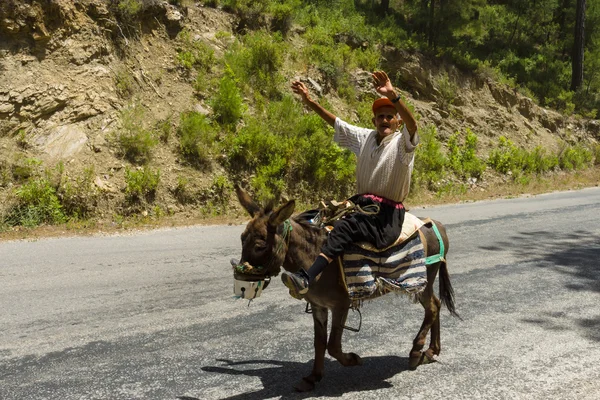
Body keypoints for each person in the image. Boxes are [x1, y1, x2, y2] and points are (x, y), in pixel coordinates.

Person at [281, 70, 420, 299]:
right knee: (312, 217)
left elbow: (413, 125)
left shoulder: (403, 144)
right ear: (373, 121)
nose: (384, 120)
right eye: (380, 117)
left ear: (397, 121)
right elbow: (336, 123)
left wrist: (393, 94)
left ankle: (307, 277)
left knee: (346, 227)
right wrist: (310, 102)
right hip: (361, 206)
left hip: (385, 216)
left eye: (389, 116)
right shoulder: (366, 137)